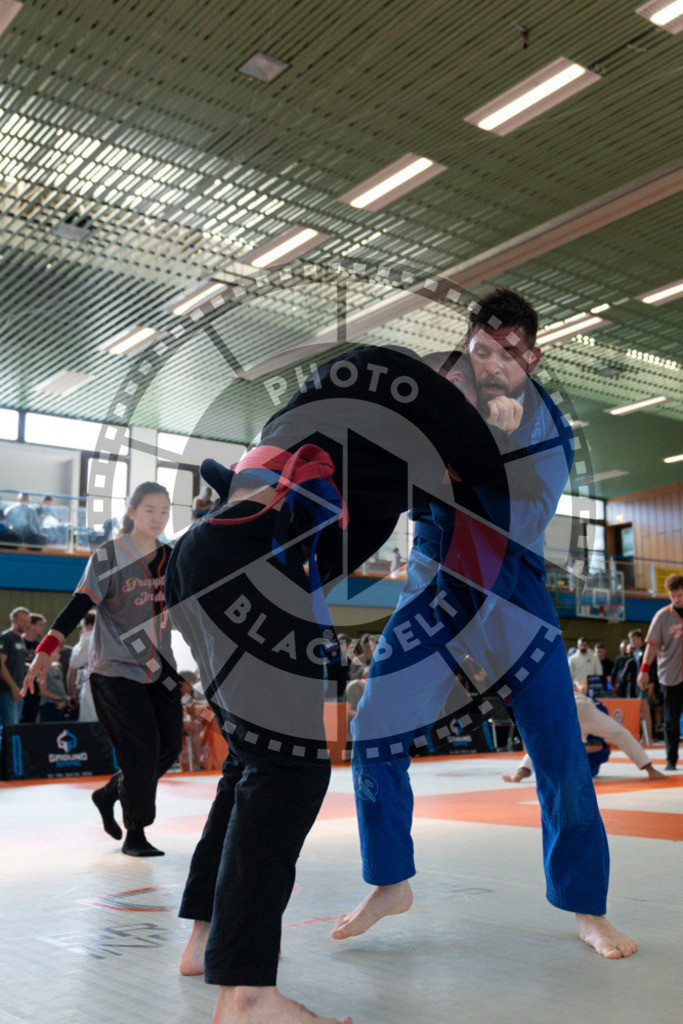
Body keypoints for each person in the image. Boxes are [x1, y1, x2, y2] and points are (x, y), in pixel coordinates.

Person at [165, 328, 515, 1024]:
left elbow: (442, 492)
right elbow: (477, 459)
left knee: (253, 766)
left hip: (206, 565)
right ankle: (247, 995)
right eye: (468, 386)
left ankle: (206, 942)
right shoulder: (385, 372)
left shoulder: (375, 460)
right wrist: (497, 423)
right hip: (243, 562)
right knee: (288, 771)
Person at [333, 289, 637, 961]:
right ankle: (388, 880)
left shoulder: (544, 426)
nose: (490, 366)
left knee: (557, 751)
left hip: (510, 589)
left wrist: (487, 446)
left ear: (531, 355)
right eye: (479, 352)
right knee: (372, 727)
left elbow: (515, 515)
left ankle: (588, 909)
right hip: (435, 582)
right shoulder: (447, 394)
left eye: (505, 355)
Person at [22, 482, 183, 857]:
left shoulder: (172, 557)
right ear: (131, 512)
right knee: (141, 751)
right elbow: (79, 606)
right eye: (150, 510)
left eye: (164, 511)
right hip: (115, 669)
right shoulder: (109, 556)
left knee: (169, 747)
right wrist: (47, 649)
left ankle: (109, 793)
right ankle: (136, 833)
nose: (158, 518)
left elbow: (188, 612)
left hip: (161, 670)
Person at [502, 688, 665, 782]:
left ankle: (520, 773)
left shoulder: (564, 690)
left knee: (543, 742)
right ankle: (649, 769)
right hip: (580, 709)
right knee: (621, 734)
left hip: (564, 710)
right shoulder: (589, 700)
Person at [638, 574, 683, 770]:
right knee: (671, 719)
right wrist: (644, 670)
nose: (676, 599)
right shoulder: (662, 616)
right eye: (673, 596)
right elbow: (652, 647)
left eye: (680, 595)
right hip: (670, 676)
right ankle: (671, 759)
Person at [0, 607, 30, 746]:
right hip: (7, 693)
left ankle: (11, 762)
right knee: (8, 731)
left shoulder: (21, 640)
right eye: (23, 621)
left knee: (15, 730)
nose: (26, 624)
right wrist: (12, 687)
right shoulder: (6, 638)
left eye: (28, 621)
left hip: (18, 693)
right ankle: (6, 765)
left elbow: (17, 664)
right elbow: (1, 664)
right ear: (13, 620)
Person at [68, 611, 97, 722]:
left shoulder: (89, 639)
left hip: (92, 684)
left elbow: (76, 662)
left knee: (90, 719)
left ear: (88, 625)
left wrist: (83, 637)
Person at [21, 613, 46, 723]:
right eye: (40, 625)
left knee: (31, 720)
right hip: (18, 687)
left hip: (34, 690)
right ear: (30, 625)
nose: (42, 628)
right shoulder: (18, 641)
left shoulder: (39, 645)